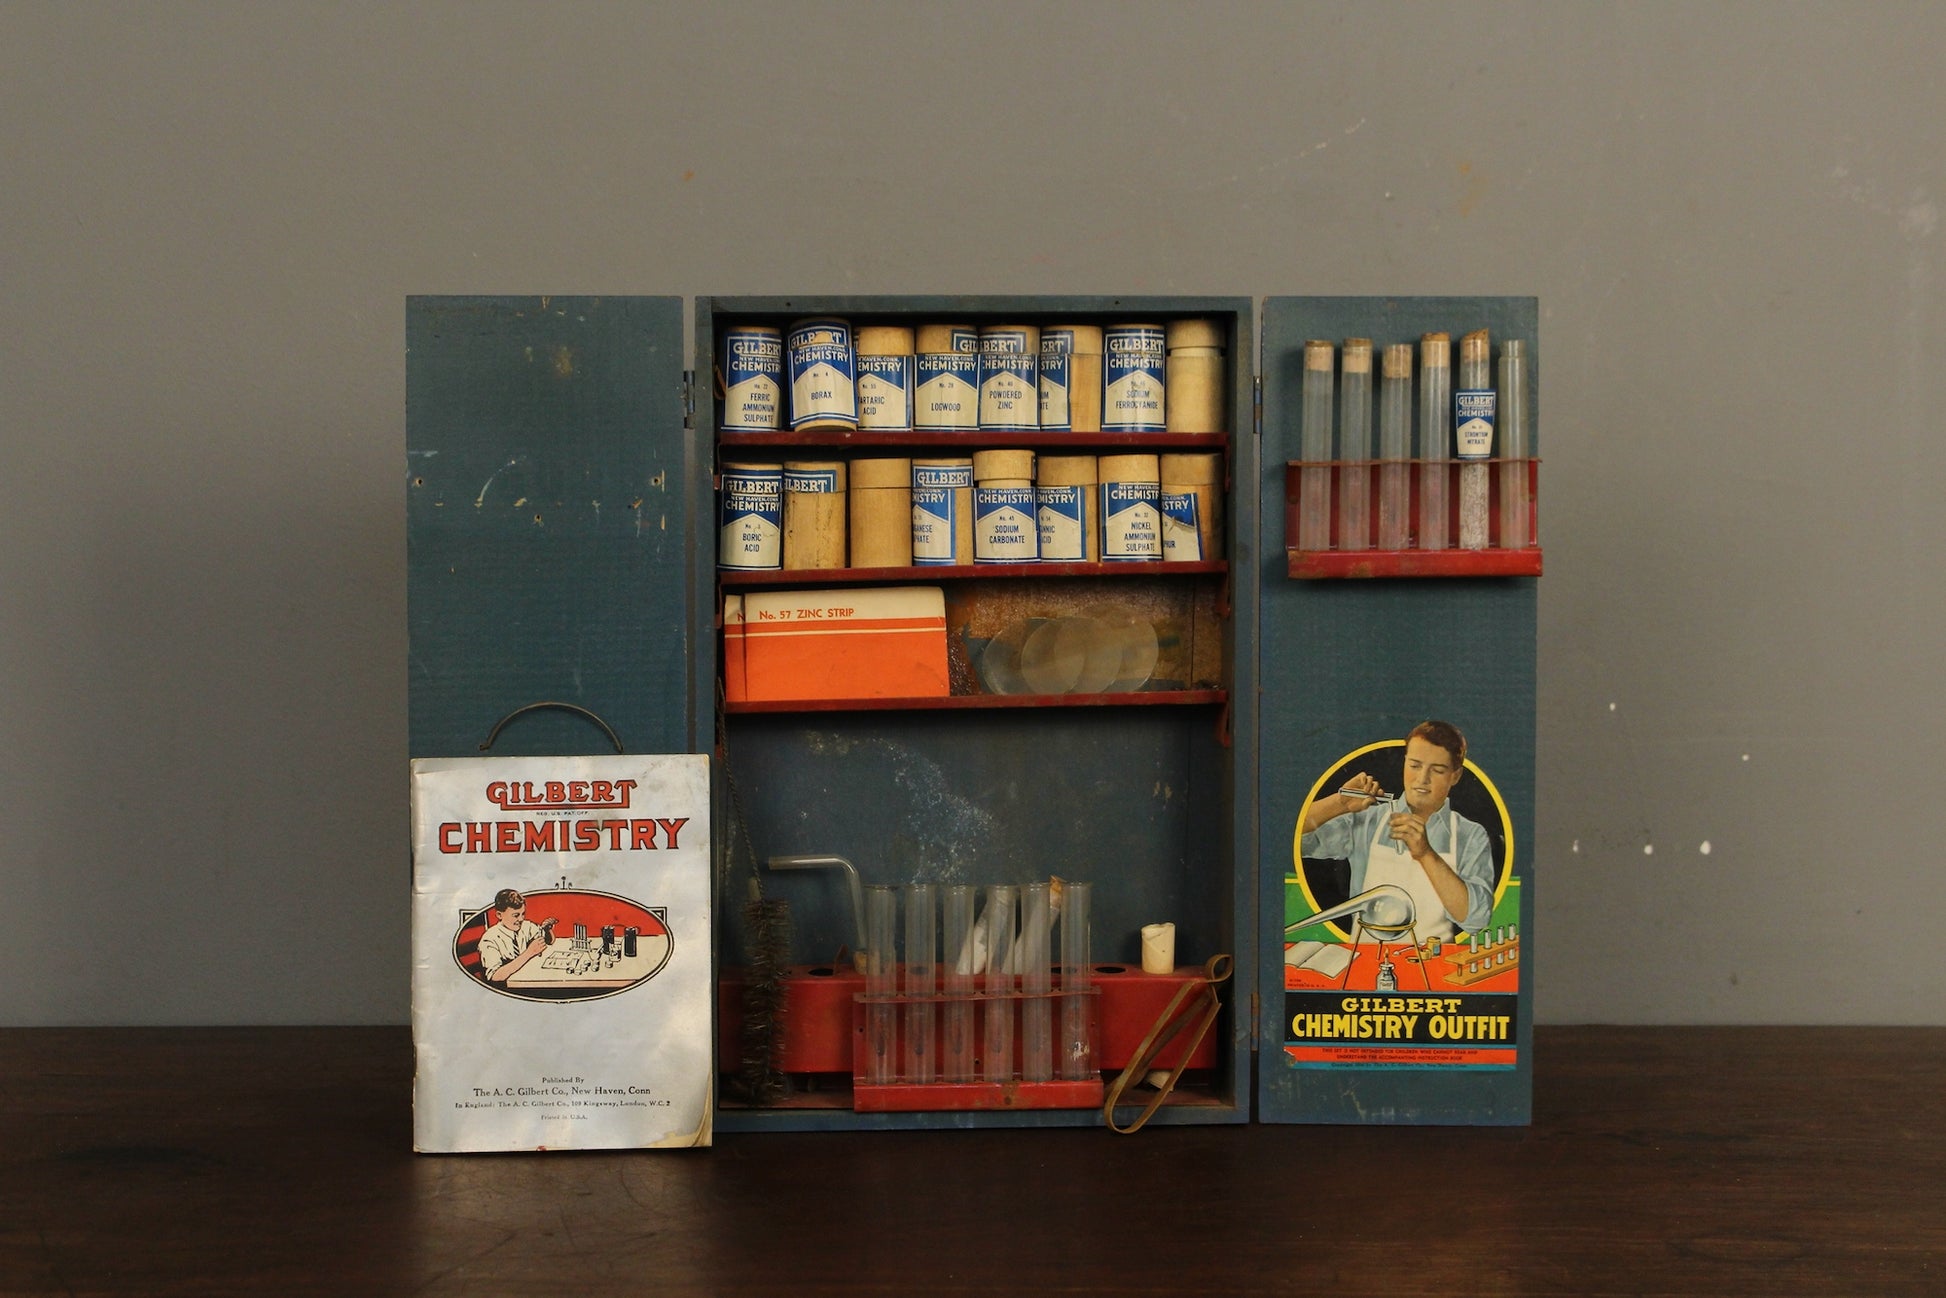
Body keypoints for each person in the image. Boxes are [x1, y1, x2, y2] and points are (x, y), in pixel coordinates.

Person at [1299, 720, 1494, 941]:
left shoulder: (1470, 835)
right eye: (1415, 766)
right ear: (1404, 763)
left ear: (1455, 776)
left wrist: (1426, 854)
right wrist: (1339, 803)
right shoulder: (1368, 820)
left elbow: (1477, 920)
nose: (1422, 779)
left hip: (1433, 959)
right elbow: (1294, 839)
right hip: (1366, 955)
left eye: (1437, 770)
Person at [475, 889, 555, 983]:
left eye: (523, 914)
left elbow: (549, 941)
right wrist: (529, 952)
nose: (521, 919)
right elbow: (495, 976)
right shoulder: (490, 939)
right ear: (499, 915)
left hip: (525, 977)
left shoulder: (526, 926)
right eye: (516, 915)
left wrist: (547, 930)